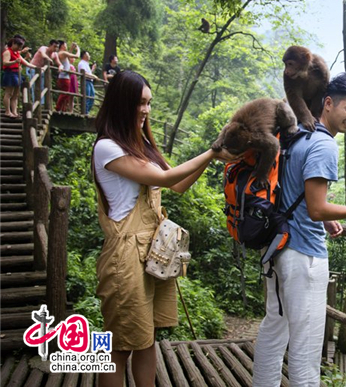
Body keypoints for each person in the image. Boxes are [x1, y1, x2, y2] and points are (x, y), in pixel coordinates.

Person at [92, 70, 238, 387]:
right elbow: (163, 179)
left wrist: (215, 158)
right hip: (125, 257)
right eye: (139, 103)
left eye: (149, 103)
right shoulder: (108, 147)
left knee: (147, 338)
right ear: (121, 103)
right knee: (119, 346)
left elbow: (180, 184)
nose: (146, 110)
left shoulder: (141, 145)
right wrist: (212, 151)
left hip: (152, 255)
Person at [252, 72, 346, 386]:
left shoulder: (295, 135)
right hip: (304, 256)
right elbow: (317, 208)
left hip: (278, 248)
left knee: (274, 330)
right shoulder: (324, 145)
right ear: (328, 103)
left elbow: (295, 192)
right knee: (306, 353)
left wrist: (327, 215)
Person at [1, 37, 37, 118]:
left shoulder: (17, 53)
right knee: (9, 93)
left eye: (21, 47)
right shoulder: (7, 52)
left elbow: (26, 63)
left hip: (17, 73)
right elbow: (5, 63)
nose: (19, 48)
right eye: (18, 46)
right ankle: (8, 111)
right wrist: (14, 61)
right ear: (13, 43)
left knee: (16, 95)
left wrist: (36, 67)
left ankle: (14, 112)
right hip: (9, 73)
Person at [30, 39, 61, 104]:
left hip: (43, 70)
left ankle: (42, 103)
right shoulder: (43, 48)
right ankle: (35, 103)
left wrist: (60, 67)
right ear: (50, 45)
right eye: (54, 46)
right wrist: (49, 59)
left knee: (43, 87)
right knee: (35, 87)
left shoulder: (55, 54)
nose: (56, 48)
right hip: (33, 68)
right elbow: (43, 55)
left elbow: (59, 63)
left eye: (57, 47)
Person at [55, 41, 79, 112]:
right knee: (65, 94)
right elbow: (76, 56)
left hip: (63, 77)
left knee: (66, 94)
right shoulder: (62, 53)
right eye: (65, 44)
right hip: (64, 77)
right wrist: (78, 50)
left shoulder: (60, 53)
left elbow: (68, 57)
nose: (66, 45)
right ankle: (58, 108)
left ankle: (62, 109)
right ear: (62, 45)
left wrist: (71, 48)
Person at [77, 50, 98, 115]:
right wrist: (94, 76)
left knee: (92, 97)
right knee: (87, 97)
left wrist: (92, 70)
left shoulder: (86, 64)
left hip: (90, 82)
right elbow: (84, 73)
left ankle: (87, 112)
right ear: (84, 55)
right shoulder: (81, 63)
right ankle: (85, 112)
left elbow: (88, 73)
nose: (89, 56)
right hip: (86, 81)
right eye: (88, 54)